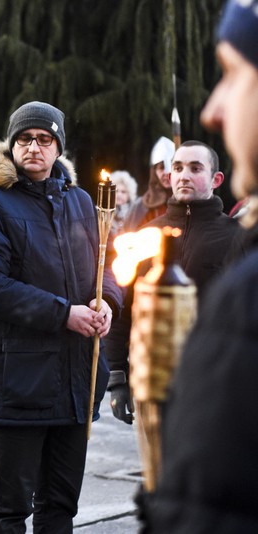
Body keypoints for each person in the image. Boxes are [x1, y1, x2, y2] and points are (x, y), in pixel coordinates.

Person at [0, 101, 122, 534]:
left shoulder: (82, 201)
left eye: (44, 139)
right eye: (25, 139)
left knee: (60, 505)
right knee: (11, 509)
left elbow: (108, 264)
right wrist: (63, 314)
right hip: (20, 379)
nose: (34, 147)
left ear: (57, 147)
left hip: (76, 380)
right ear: (12, 145)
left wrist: (106, 301)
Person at [147, 2, 258, 530]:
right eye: (177, 166)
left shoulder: (241, 248)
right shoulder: (145, 231)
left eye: (234, 75)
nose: (214, 109)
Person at [105, 140, 244, 426]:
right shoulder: (146, 236)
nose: (184, 175)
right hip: (154, 379)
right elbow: (123, 309)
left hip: (218, 382)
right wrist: (117, 377)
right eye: (178, 168)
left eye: (196, 168)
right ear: (169, 176)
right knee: (158, 469)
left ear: (216, 179)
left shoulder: (236, 238)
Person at [122, 136, 175, 232]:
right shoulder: (140, 207)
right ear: (154, 172)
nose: (167, 172)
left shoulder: (188, 203)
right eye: (161, 168)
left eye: (172, 167)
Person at [109, 170, 139, 235]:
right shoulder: (103, 212)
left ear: (129, 194)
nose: (119, 195)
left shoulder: (135, 212)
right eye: (116, 191)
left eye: (123, 192)